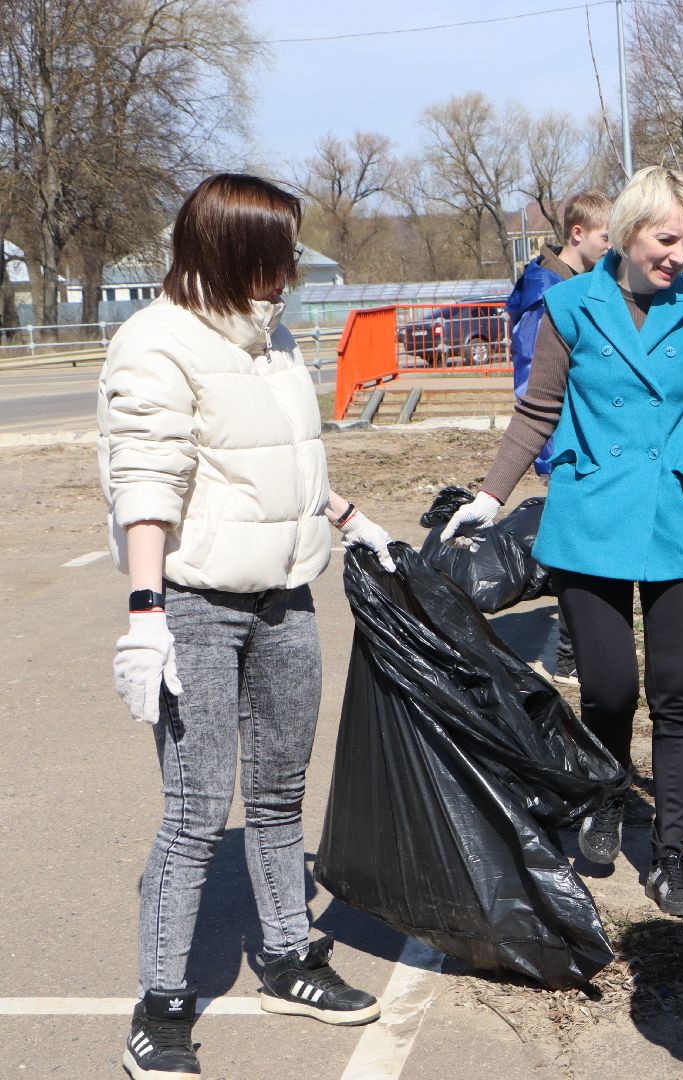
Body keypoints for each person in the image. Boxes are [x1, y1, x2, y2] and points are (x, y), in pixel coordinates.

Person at [99, 174, 390, 1080]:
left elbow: (281, 464)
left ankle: (289, 958)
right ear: (228, 250)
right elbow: (145, 479)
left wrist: (346, 519)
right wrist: (146, 613)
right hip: (195, 604)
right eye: (278, 252)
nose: (292, 269)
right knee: (194, 809)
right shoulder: (155, 344)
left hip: (284, 599)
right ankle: (160, 1006)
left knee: (276, 795)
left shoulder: (272, 339)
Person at [441, 166, 683, 919]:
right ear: (626, 235)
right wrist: (490, 497)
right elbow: (537, 411)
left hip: (678, 516)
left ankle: (672, 853)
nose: (682, 254)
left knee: (678, 695)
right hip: (588, 520)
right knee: (612, 688)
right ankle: (607, 795)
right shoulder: (571, 306)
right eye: (667, 239)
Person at [506, 189, 613, 683]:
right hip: (565, 447)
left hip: (584, 440)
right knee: (578, 552)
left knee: (590, 546)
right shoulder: (546, 295)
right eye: (606, 237)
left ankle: (578, 652)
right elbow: (533, 385)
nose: (613, 249)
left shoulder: (579, 282)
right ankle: (571, 659)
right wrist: (550, 456)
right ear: (578, 234)